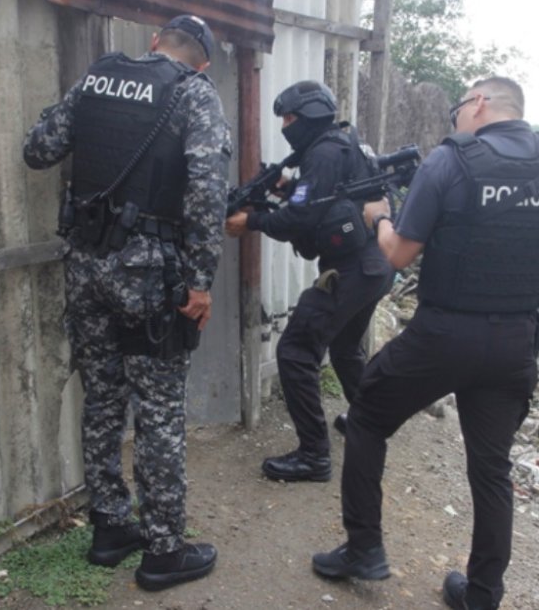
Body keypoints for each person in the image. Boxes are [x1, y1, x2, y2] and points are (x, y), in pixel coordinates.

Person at [312, 77, 539, 610]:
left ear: (480, 104)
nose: (456, 119)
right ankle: (482, 595)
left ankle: (364, 548)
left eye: (460, 107)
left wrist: (381, 216)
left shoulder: (451, 160)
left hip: (444, 334)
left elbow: (396, 256)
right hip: (514, 340)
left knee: (366, 416)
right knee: (492, 467)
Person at [22, 15, 230, 591]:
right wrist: (201, 281)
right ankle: (164, 550)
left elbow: (38, 150)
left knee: (103, 399)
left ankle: (110, 526)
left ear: (155, 43)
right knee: (159, 411)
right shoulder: (194, 94)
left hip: (86, 267)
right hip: (149, 278)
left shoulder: (96, 79)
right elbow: (207, 192)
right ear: (202, 61)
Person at [224, 81, 394, 482]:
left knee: (296, 351)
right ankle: (369, 422)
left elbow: (298, 220)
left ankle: (314, 456)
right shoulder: (342, 143)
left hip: (352, 270)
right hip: (375, 266)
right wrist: (287, 187)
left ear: (310, 116)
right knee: (346, 346)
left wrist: (251, 221)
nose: (285, 125)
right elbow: (320, 198)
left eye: (290, 118)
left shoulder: (322, 152)